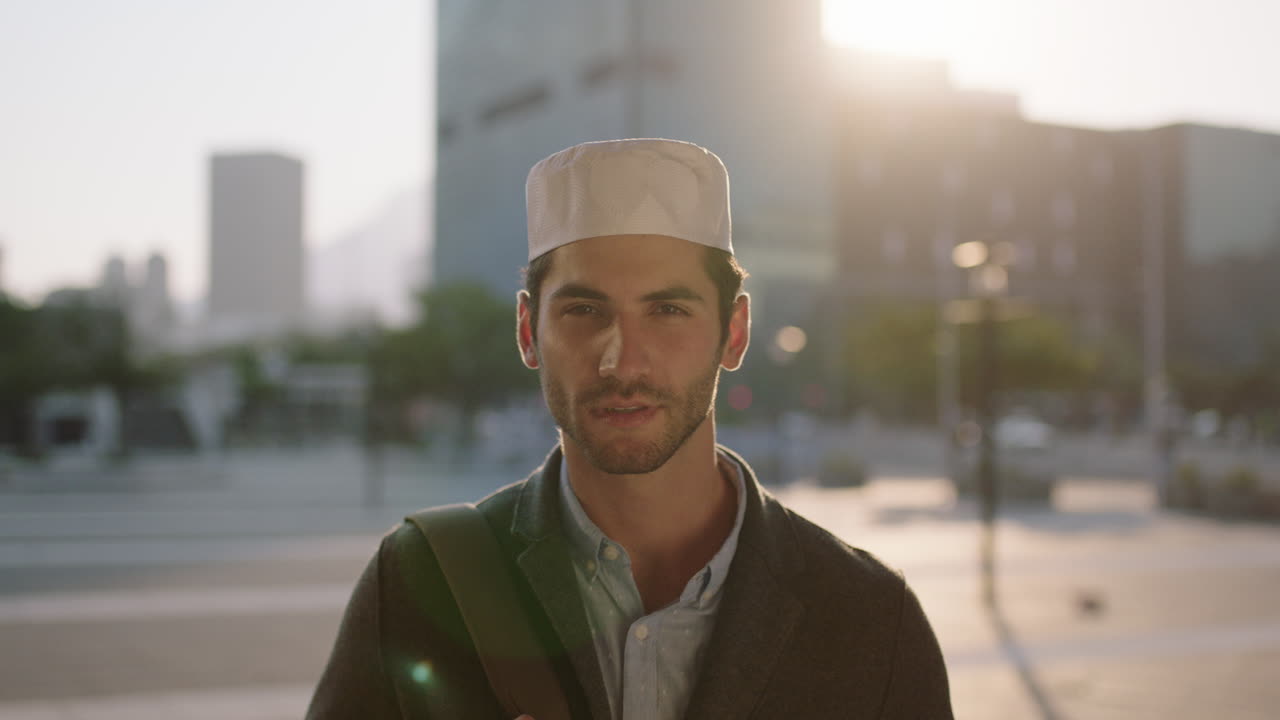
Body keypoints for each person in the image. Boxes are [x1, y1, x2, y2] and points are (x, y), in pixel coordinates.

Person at [307, 139, 953, 719]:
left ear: (734, 332)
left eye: (668, 311)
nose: (622, 360)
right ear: (529, 332)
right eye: (585, 310)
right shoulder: (420, 585)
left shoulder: (871, 620)